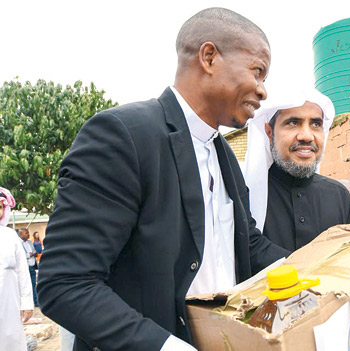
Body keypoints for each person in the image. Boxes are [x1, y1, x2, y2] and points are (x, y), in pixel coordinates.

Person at [37, 8, 289, 351]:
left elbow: (245, 245)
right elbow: (65, 283)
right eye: (258, 72)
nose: (263, 91)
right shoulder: (122, 135)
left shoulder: (224, 153)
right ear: (209, 57)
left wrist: (323, 269)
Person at [243, 89, 350, 252]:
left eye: (316, 124)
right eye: (293, 123)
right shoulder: (246, 195)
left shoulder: (339, 196)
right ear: (269, 133)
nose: (307, 136)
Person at [0, 188, 34, 351]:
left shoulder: (10, 236)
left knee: (10, 342)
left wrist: (27, 303)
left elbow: (22, 271)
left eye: (0, 207)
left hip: (8, 305)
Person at [17, 228, 38, 307]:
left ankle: (35, 301)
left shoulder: (29, 242)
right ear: (21, 234)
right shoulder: (18, 243)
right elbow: (20, 256)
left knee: (33, 284)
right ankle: (25, 304)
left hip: (32, 266)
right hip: (24, 267)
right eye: (26, 233)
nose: (28, 234)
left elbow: (34, 251)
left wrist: (33, 253)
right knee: (24, 285)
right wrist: (29, 255)